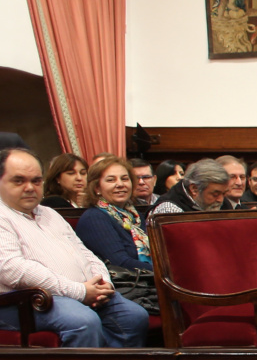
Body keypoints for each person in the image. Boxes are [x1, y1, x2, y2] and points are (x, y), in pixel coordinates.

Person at [0, 147, 149, 347]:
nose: (29, 187)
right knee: (83, 321)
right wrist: (78, 291)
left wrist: (103, 283)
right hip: (27, 301)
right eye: (19, 181)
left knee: (134, 317)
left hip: (80, 292)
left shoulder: (49, 214)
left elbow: (84, 252)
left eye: (36, 181)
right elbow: (12, 269)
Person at [75, 154, 152, 271]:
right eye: (111, 180)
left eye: (125, 179)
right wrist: (164, 272)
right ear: (97, 188)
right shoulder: (94, 218)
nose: (120, 184)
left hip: (150, 278)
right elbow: (119, 262)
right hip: (128, 284)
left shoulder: (134, 216)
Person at [151, 158, 234, 216]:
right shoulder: (169, 210)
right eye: (215, 194)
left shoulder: (224, 204)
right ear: (194, 189)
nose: (221, 200)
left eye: (224, 194)